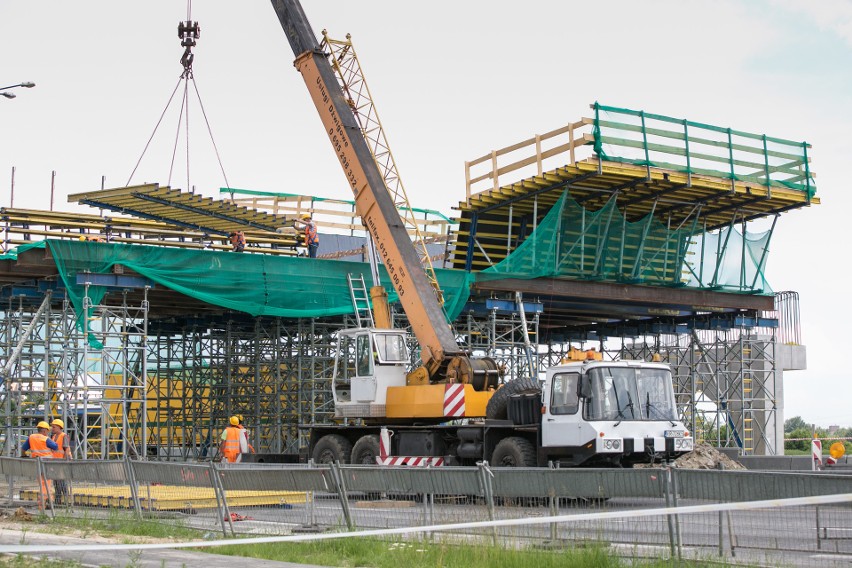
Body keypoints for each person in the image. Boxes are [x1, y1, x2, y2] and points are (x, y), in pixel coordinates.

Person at [21, 421, 58, 509]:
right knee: (46, 483)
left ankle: (48, 501)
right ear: (45, 430)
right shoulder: (45, 439)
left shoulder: (31, 437)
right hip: (46, 464)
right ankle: (43, 502)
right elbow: (55, 447)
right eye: (47, 431)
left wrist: (24, 455)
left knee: (42, 483)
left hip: (37, 463)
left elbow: (23, 449)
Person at [50, 419, 72, 505]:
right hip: (55, 462)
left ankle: (67, 500)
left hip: (62, 462)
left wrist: (65, 461)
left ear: (59, 427)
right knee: (56, 482)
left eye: (54, 427)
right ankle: (58, 499)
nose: (52, 428)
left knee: (62, 481)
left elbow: (66, 449)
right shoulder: (53, 436)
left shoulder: (64, 436)